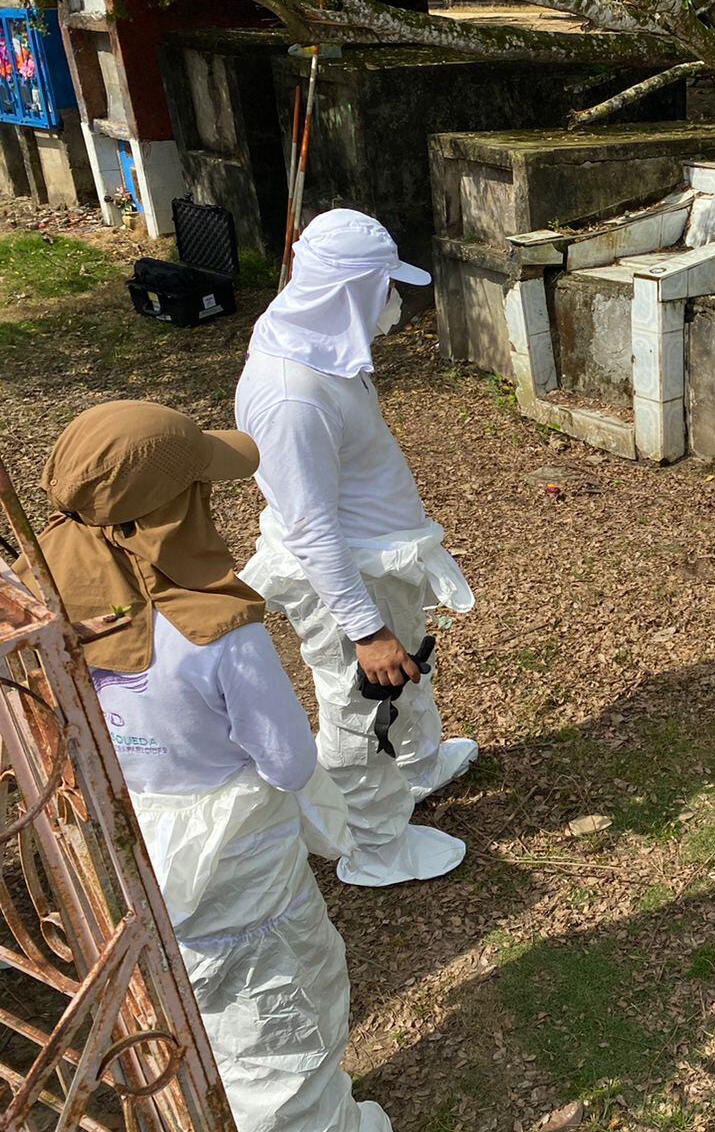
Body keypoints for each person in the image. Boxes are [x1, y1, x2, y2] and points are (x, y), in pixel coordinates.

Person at [22, 401, 388, 1132]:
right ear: (175, 514)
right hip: (237, 859)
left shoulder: (48, 618)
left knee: (196, 1009)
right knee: (280, 1004)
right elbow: (286, 763)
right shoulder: (219, 634)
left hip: (137, 848)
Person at [236, 208, 474, 888]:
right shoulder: (293, 398)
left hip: (380, 560)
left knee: (410, 664)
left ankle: (418, 767)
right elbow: (311, 529)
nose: (396, 303)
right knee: (360, 703)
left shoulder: (317, 344)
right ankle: (375, 846)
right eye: (385, 288)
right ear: (349, 293)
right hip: (346, 581)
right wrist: (365, 630)